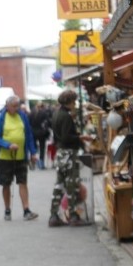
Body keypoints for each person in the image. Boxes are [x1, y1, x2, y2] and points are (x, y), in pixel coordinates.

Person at [48, 90, 93, 227]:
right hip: (68, 154)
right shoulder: (66, 116)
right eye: (74, 101)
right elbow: (67, 137)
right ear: (69, 101)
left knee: (59, 185)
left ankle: (53, 215)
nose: (75, 103)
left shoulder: (56, 113)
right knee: (72, 185)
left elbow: (59, 136)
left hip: (61, 153)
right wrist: (80, 137)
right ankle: (73, 216)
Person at [0, 95, 38, 221]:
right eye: (14, 106)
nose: (16, 108)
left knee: (23, 182)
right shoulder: (0, 119)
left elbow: (28, 134)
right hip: (5, 157)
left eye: (17, 105)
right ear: (7, 105)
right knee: (6, 184)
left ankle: (26, 210)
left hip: (21, 156)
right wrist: (8, 145)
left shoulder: (22, 116)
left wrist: (33, 152)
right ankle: (7, 209)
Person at [31, 103, 52, 170]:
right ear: (42, 107)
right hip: (41, 133)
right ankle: (41, 163)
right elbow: (48, 122)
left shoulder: (32, 113)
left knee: (33, 148)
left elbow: (29, 122)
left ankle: (33, 162)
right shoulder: (44, 113)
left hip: (33, 132)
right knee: (42, 148)